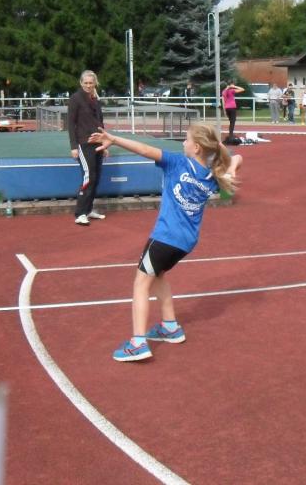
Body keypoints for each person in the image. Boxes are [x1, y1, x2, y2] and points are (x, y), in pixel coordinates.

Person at [87, 123, 242, 362]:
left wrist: (115, 139)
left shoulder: (177, 162)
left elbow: (144, 149)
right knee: (157, 275)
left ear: (197, 147)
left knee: (140, 284)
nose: (183, 143)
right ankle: (170, 327)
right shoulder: (212, 175)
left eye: (186, 139)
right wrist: (228, 162)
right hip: (186, 242)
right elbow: (238, 158)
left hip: (165, 237)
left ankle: (138, 343)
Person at [68, 69, 106, 226]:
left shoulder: (95, 99)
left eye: (91, 83)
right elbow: (71, 124)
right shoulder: (75, 98)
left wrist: (104, 144)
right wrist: (73, 147)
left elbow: (100, 123)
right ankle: (80, 213)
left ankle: (88, 210)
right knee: (88, 177)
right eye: (86, 83)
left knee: (96, 178)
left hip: (98, 143)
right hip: (83, 144)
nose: (88, 85)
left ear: (95, 83)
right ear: (81, 83)